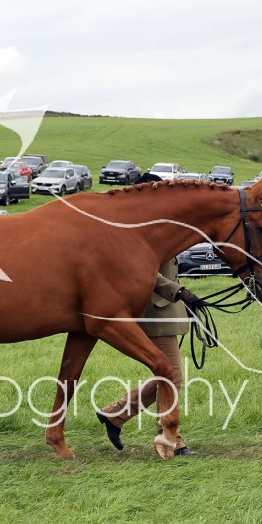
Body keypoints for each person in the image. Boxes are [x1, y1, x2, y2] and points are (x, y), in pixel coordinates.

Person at [96, 172, 200, 457]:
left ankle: (115, 414)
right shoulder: (138, 229)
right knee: (171, 376)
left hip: (166, 311)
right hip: (156, 311)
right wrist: (177, 291)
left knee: (167, 375)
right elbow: (144, 273)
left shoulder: (155, 224)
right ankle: (170, 438)